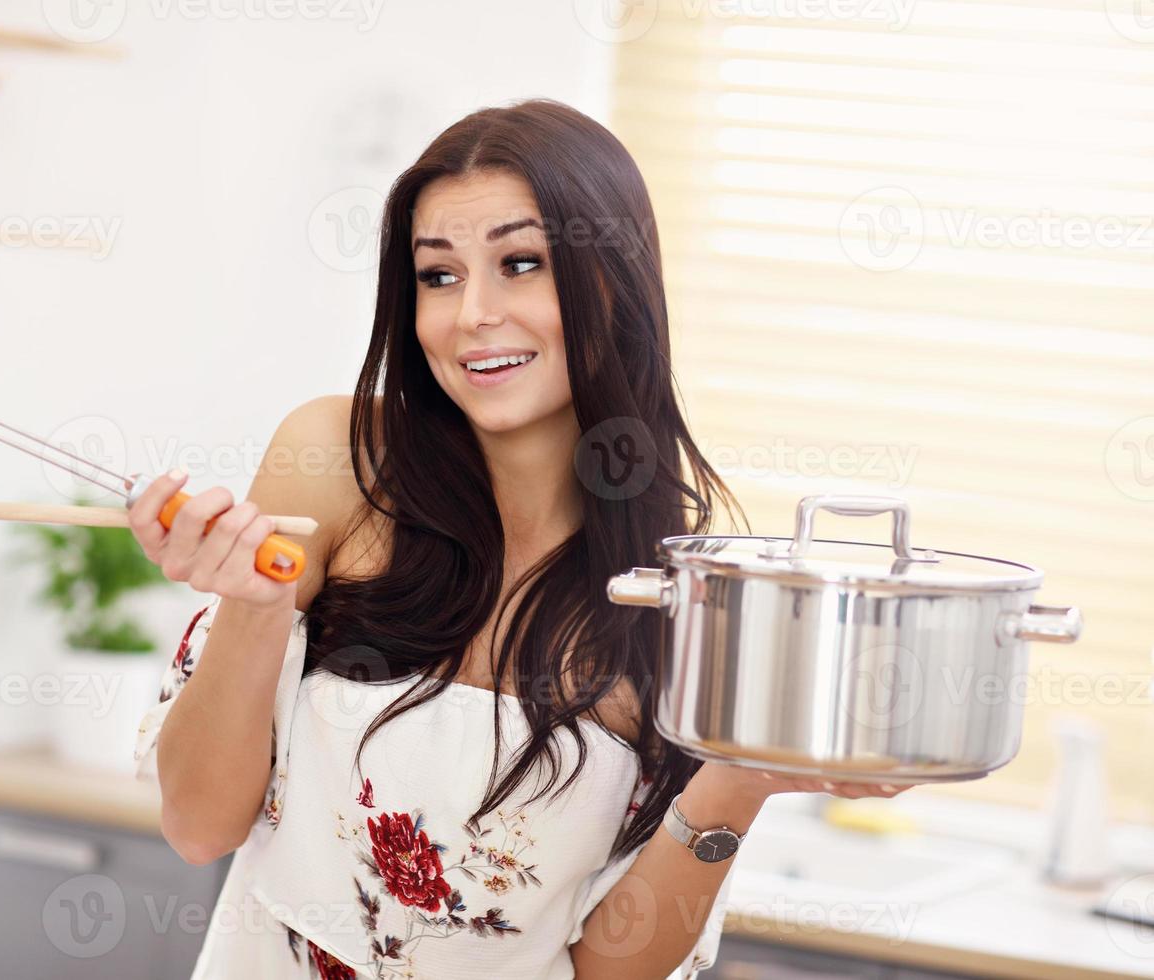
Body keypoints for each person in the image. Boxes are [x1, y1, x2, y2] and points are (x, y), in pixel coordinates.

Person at [130, 97, 916, 979]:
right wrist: (253, 607)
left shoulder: (681, 592)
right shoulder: (339, 463)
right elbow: (198, 826)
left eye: (521, 263)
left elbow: (610, 971)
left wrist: (742, 781)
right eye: (438, 275)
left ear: (612, 279)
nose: (472, 314)